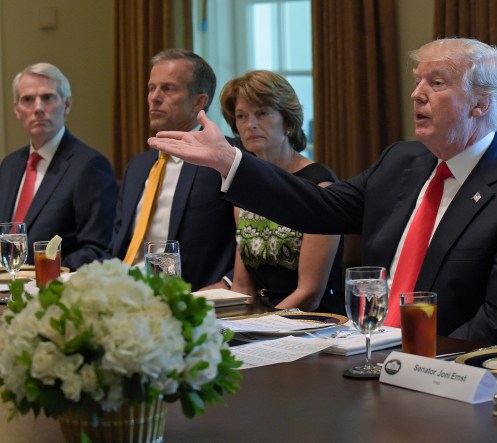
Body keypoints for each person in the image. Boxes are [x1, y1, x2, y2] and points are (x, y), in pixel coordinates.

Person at [149, 38, 497, 345]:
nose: (416, 94)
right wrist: (229, 161)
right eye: (417, 81)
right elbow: (317, 206)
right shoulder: (402, 162)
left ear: (481, 104)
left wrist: (412, 363)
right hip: (364, 350)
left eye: (436, 83)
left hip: (446, 374)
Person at [202, 70, 344, 313]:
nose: (251, 124)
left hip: (316, 323)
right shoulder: (244, 189)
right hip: (262, 320)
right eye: (241, 116)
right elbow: (242, 288)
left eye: (263, 113)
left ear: (287, 121)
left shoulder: (320, 186)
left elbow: (310, 293)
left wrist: (261, 328)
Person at [111, 49, 235, 291]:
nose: (154, 98)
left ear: (199, 101)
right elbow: (116, 244)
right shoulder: (138, 166)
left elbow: (248, 241)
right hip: (122, 291)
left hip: (188, 296)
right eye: (151, 88)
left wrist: (228, 283)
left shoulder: (224, 160)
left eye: (168, 89)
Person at [0, 63, 117, 270]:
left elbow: (97, 249)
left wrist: (42, 271)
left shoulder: (89, 166)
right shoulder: (9, 165)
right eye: (28, 99)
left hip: (52, 290)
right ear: (17, 110)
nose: (38, 108)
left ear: (67, 104)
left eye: (48, 97)